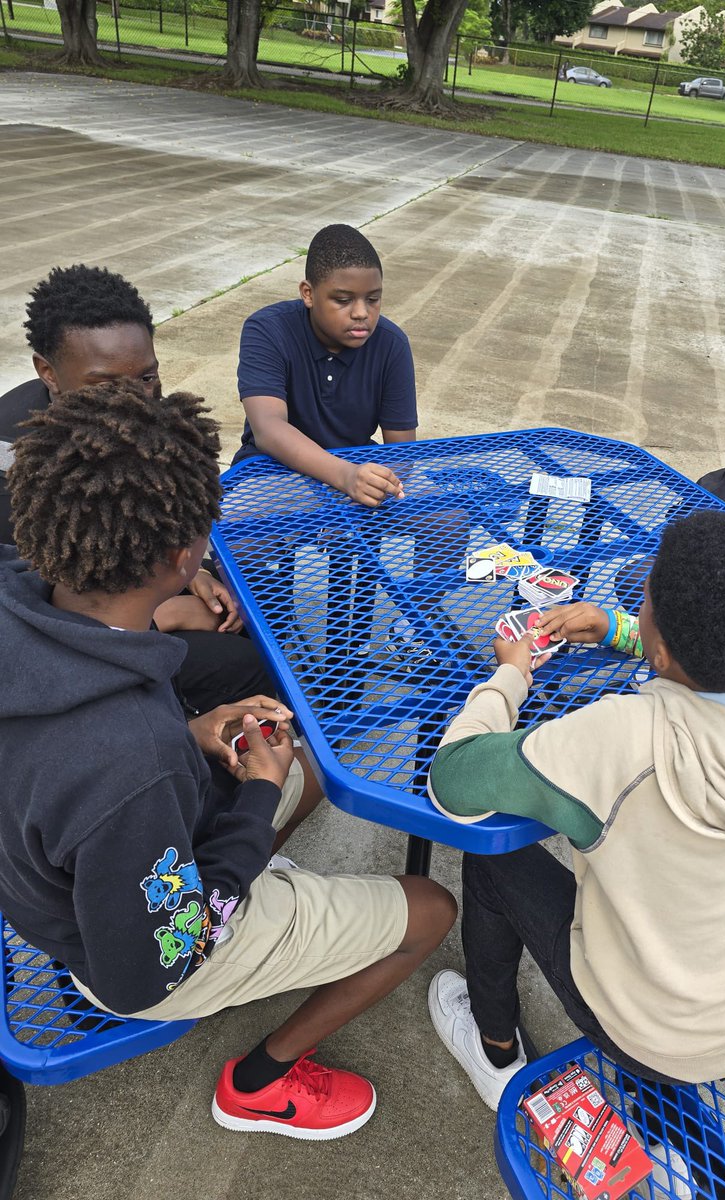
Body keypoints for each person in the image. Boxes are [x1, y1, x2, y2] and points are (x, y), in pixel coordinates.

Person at [0, 380, 456, 1138]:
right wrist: (248, 805)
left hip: (74, 878)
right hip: (138, 957)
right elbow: (154, 960)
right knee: (432, 911)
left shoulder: (23, 604)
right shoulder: (128, 763)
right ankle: (260, 1083)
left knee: (300, 770)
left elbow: (69, 770)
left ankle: (245, 889)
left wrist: (192, 734)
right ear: (186, 556)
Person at [425, 511, 725, 1108]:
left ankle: (495, 1050)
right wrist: (617, 627)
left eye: (645, 597)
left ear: (663, 649)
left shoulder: (622, 737)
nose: (639, 599)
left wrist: (508, 677)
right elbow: (700, 667)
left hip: (648, 1036)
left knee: (493, 858)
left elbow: (453, 780)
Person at [0, 264, 275, 713]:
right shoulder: (15, 459)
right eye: (106, 384)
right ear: (47, 372)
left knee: (249, 603)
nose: (136, 400)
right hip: (69, 650)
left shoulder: (134, 419)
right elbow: (28, 602)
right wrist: (163, 616)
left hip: (132, 588)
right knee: (246, 663)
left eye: (147, 378)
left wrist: (196, 574)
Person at [236, 223, 416, 507]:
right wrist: (343, 479)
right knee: (245, 532)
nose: (361, 313)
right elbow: (268, 428)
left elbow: (402, 453)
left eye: (373, 299)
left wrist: (370, 488)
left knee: (447, 519)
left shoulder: (391, 344)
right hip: (274, 466)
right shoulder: (268, 330)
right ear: (308, 293)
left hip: (356, 464)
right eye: (342, 300)